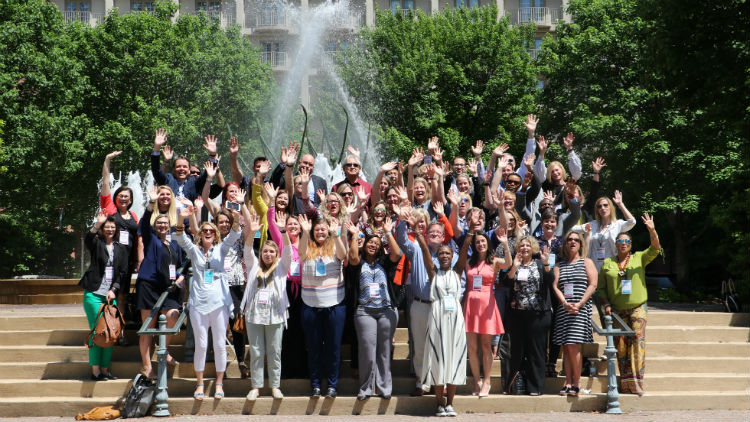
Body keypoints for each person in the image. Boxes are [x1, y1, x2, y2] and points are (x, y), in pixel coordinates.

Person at [175, 203, 241, 400]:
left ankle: (219, 383)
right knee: (201, 345)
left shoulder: (221, 249)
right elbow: (180, 237)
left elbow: (234, 234)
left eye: (211, 230)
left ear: (215, 234)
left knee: (220, 344)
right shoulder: (194, 252)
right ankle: (200, 384)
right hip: (198, 305)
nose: (208, 232)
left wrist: (236, 217)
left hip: (219, 304)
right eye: (204, 230)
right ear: (200, 234)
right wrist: (182, 217)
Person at [598, 213, 661, 396]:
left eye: (626, 241)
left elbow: (656, 249)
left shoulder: (639, 258)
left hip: (637, 307)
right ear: (616, 245)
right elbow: (601, 288)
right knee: (622, 347)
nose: (623, 244)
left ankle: (638, 382)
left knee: (638, 340)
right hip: (617, 310)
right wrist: (606, 304)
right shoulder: (608, 264)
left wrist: (652, 230)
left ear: (631, 245)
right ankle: (626, 384)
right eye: (620, 241)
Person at [412, 212, 467, 417]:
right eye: (441, 254)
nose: (444, 256)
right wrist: (419, 236)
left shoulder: (457, 272)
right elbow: (426, 254)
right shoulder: (433, 273)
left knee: (452, 361)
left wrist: (469, 235)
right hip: (436, 318)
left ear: (451, 257)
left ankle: (450, 402)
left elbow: (463, 255)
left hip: (455, 321)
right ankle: (438, 404)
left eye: (447, 254)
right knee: (436, 360)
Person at [346, 219, 402, 400]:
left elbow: (397, 253)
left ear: (380, 248)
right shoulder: (359, 264)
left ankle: (385, 387)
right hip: (364, 312)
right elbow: (353, 257)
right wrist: (355, 235)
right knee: (367, 351)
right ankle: (366, 388)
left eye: (376, 244)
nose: (373, 245)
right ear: (365, 244)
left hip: (386, 311)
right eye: (371, 242)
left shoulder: (384, 263)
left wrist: (387, 232)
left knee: (384, 350)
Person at [136, 186, 185, 379]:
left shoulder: (173, 244)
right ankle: (147, 366)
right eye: (160, 224)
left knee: (173, 314)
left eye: (166, 223)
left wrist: (181, 276)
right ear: (155, 226)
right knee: (148, 327)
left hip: (168, 288)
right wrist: (151, 203)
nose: (163, 226)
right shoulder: (152, 239)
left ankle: (163, 347)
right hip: (148, 285)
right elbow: (145, 225)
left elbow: (180, 265)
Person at [297, 214, 348, 397]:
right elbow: (300, 254)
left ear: (328, 231)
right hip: (311, 305)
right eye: (317, 229)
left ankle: (332, 385)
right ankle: (316, 385)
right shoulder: (307, 246)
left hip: (334, 305)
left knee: (333, 348)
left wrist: (335, 234)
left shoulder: (334, 245)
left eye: (323, 229)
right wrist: (304, 232)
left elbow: (343, 255)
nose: (320, 232)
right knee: (314, 348)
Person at [241, 213, 291, 400]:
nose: (268, 254)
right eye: (265, 251)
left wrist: (283, 230)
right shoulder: (254, 266)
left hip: (276, 315)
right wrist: (251, 233)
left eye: (272, 252)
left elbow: (288, 251)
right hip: (254, 315)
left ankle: (275, 386)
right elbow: (247, 251)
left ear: (276, 255)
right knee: (256, 351)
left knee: (274, 351)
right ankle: (255, 386)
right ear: (260, 253)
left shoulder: (281, 268)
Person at [462, 225, 512, 397]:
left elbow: (509, 263)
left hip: (487, 306)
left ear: (487, 243)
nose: (480, 244)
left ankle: (487, 381)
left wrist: (505, 244)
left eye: (483, 241)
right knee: (472, 348)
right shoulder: (469, 262)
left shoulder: (494, 261)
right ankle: (477, 381)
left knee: (486, 346)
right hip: (470, 306)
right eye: (477, 242)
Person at [80, 211, 129, 380]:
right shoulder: (97, 243)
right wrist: (97, 224)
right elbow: (88, 239)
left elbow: (122, 272)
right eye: (107, 226)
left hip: (110, 296)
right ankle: (95, 370)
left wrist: (114, 289)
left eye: (112, 227)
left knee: (111, 332)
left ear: (116, 230)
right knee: (97, 332)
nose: (109, 229)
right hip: (93, 295)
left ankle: (106, 369)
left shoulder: (121, 248)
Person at [551, 230, 598, 396]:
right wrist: (564, 303)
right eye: (569, 240)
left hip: (580, 309)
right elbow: (555, 286)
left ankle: (576, 383)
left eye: (576, 240)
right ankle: (568, 382)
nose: (572, 242)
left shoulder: (586, 262)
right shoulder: (559, 265)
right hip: (564, 310)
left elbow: (593, 284)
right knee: (566, 346)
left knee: (573, 346)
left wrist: (580, 303)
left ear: (580, 244)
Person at [505, 236, 554, 395]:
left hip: (538, 314)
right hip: (518, 315)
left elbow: (550, 280)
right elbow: (506, 283)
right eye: (522, 245)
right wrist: (514, 266)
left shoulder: (540, 265)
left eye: (528, 245)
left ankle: (535, 387)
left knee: (536, 351)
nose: (525, 248)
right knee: (518, 351)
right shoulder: (515, 265)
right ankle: (514, 385)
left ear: (532, 248)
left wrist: (546, 263)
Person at [100, 151, 139, 332]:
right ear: (116, 198)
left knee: (122, 296)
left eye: (127, 196)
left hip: (127, 261)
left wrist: (139, 260)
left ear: (131, 200)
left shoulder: (134, 216)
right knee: (107, 293)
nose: (123, 198)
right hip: (110, 258)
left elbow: (138, 239)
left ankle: (119, 331)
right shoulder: (109, 208)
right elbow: (106, 182)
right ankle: (105, 327)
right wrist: (107, 161)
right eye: (121, 195)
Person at [572, 190, 636, 271]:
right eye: (599, 206)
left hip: (612, 267)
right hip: (594, 268)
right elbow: (572, 228)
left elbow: (632, 222)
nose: (603, 208)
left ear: (610, 207)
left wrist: (620, 204)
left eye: (605, 205)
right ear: (597, 210)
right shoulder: (592, 225)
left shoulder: (618, 224)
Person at [150, 129, 209, 202]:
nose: (181, 169)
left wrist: (212, 155)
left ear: (189, 170)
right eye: (178, 166)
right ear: (174, 169)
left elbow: (208, 172)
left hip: (189, 212)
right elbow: (156, 170)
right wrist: (156, 148)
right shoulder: (168, 179)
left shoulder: (195, 182)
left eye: (185, 167)